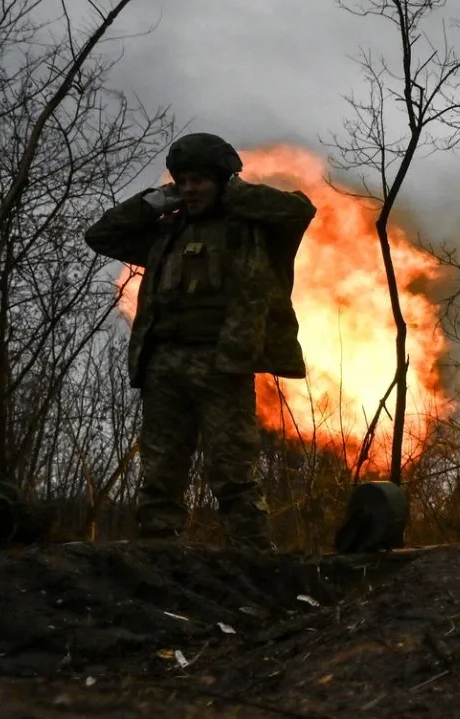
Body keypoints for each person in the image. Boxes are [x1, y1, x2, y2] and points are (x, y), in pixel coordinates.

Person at [85, 132, 316, 551]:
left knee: (233, 472)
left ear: (221, 180)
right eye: (183, 181)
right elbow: (100, 236)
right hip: (164, 363)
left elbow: (298, 209)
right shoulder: (166, 234)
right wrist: (156, 201)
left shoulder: (254, 231)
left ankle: (255, 562)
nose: (189, 189)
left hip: (223, 364)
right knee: (160, 472)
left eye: (199, 181)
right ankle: (161, 556)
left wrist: (234, 192)